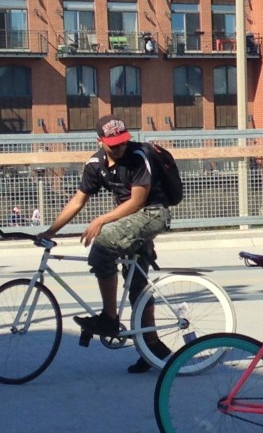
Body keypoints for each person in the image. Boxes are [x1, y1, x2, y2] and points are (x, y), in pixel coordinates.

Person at [37, 115, 173, 374]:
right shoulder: (95, 164)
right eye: (114, 144)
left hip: (153, 214)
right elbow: (77, 201)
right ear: (100, 141)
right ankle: (152, 348)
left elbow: (137, 202)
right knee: (137, 284)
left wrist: (101, 220)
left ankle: (109, 319)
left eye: (123, 142)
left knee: (101, 248)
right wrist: (50, 230)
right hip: (130, 220)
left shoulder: (138, 156)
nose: (121, 148)